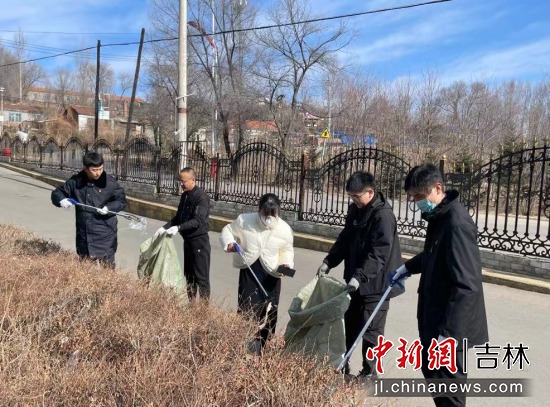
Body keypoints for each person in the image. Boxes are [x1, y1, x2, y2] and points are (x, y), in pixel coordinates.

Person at [392, 163, 488, 407]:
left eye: (419, 196)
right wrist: (407, 267)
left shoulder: (457, 223)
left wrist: (449, 336)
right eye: (413, 197)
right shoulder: (439, 216)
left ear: (437, 188)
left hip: (450, 327)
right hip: (434, 319)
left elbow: (467, 285)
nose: (417, 202)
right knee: (434, 377)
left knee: (449, 391)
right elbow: (434, 254)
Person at [317, 171, 402, 378]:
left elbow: (379, 253)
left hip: (378, 284)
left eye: (357, 196)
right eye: (351, 196)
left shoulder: (383, 216)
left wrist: (360, 276)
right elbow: (345, 239)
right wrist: (329, 261)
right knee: (349, 324)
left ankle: (370, 374)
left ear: (370, 192)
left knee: (371, 330)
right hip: (355, 281)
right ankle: (341, 365)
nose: (354, 200)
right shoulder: (355, 210)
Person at [219, 193, 294, 355]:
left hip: (272, 275)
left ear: (278, 212)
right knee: (247, 309)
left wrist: (286, 264)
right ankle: (245, 346)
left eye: (273, 214)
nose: (268, 218)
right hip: (250, 270)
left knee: (269, 312)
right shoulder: (244, 220)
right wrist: (230, 243)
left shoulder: (284, 229)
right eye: (265, 214)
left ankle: (263, 348)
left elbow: (287, 250)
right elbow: (227, 230)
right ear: (259, 210)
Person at [51, 151, 127, 268]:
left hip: (105, 235)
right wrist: (61, 200)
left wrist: (109, 208)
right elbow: (57, 192)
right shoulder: (76, 182)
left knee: (107, 269)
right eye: (94, 170)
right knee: (85, 269)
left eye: (100, 169)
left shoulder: (110, 183)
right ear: (86, 169)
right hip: (84, 235)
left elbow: (121, 201)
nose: (98, 173)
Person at [155, 167, 211, 300]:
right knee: (189, 276)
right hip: (188, 241)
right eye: (179, 181)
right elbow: (179, 217)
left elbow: (198, 220)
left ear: (193, 180)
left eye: (183, 181)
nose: (181, 184)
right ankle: (191, 305)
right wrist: (165, 228)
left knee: (201, 278)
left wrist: (178, 228)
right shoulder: (185, 196)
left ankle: (203, 309)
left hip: (199, 242)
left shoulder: (201, 197)